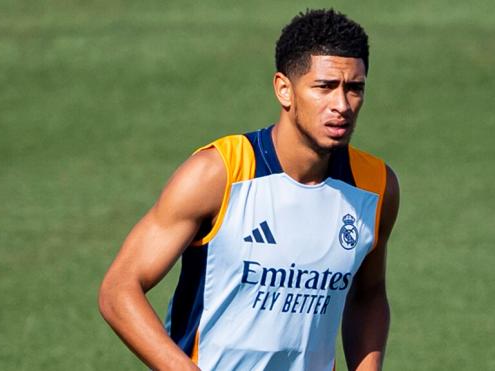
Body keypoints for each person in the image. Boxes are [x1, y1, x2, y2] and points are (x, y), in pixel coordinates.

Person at [99, 8, 399, 371]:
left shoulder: (375, 186)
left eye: (354, 89)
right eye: (324, 87)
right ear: (284, 89)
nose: (341, 104)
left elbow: (368, 294)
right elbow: (119, 289)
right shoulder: (218, 173)